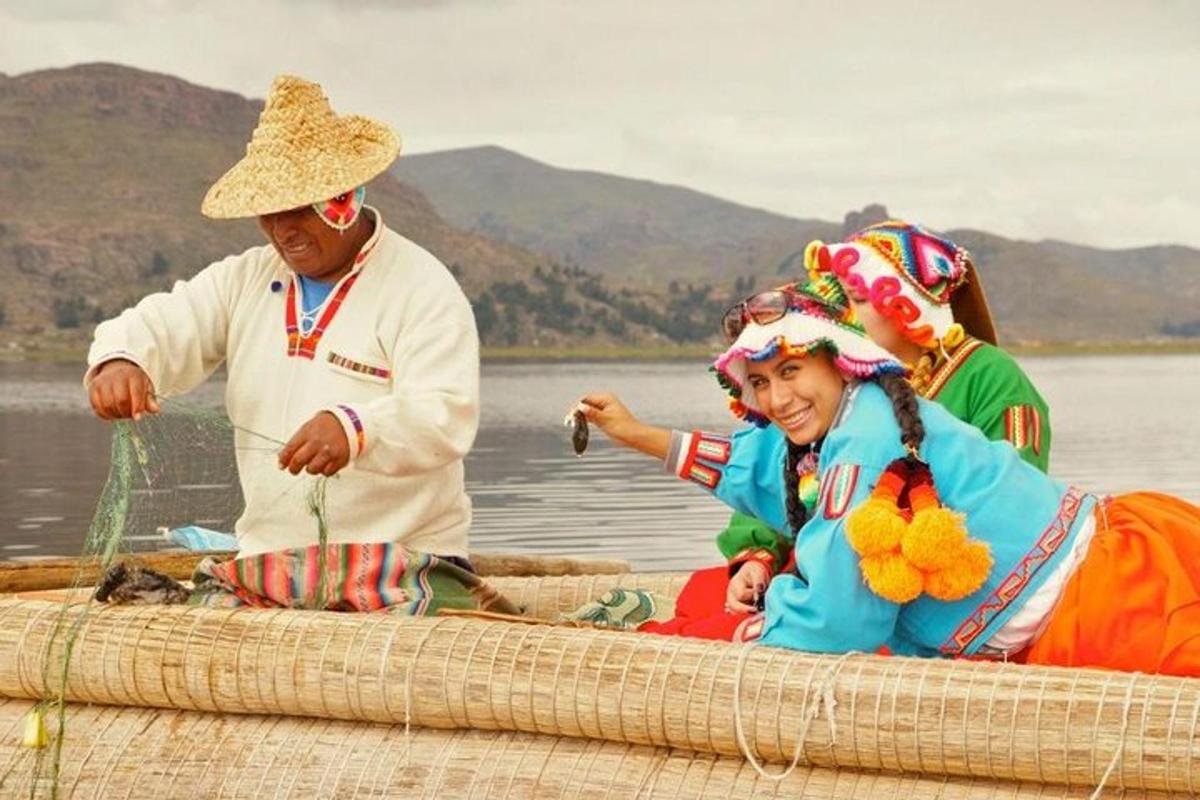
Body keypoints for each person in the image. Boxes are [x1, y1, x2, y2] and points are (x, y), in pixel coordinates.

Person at [579, 280, 1200, 675]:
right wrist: (638, 434)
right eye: (760, 383)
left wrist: (747, 635)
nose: (776, 399)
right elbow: (766, 468)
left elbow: (841, 619)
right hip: (1097, 561)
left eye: (791, 370)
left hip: (1106, 605)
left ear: (836, 360)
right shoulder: (853, 414)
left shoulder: (864, 442)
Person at [84, 75, 505, 614]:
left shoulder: (421, 287)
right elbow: (165, 321)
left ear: (343, 198)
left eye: (300, 208)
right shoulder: (244, 279)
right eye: (270, 212)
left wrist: (357, 429)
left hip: (402, 561)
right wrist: (122, 359)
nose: (284, 230)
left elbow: (443, 417)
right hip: (271, 564)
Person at [701, 222, 1052, 636]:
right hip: (833, 563)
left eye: (856, 300)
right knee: (705, 605)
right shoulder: (834, 378)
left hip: (939, 584)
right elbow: (779, 469)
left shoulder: (989, 377)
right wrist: (757, 557)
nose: (842, 315)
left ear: (908, 304)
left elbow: (1010, 495)